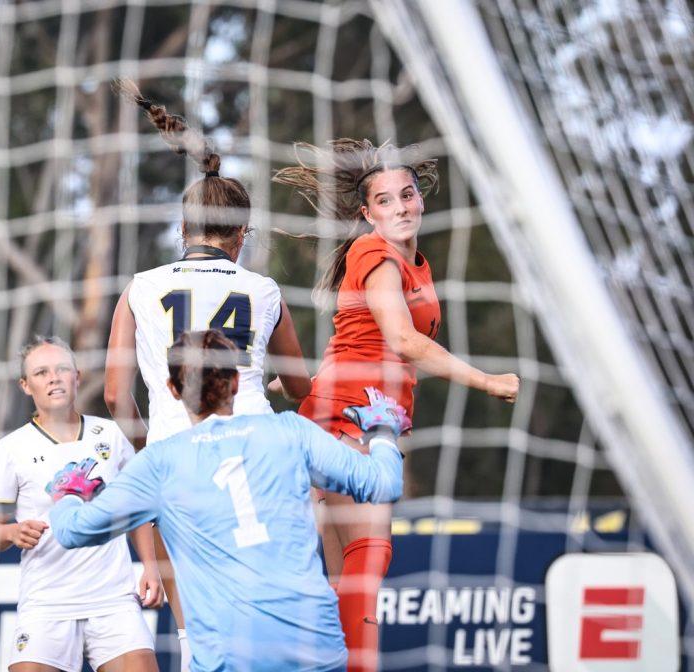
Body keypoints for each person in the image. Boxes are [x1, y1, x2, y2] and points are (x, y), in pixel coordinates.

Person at [273, 139, 520, 671]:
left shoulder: (419, 265)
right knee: (369, 556)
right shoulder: (374, 251)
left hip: (353, 409)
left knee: (342, 579)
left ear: (421, 200)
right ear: (368, 213)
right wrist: (487, 380)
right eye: (385, 201)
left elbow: (366, 342)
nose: (401, 207)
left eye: (406, 195)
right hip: (350, 415)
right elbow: (403, 341)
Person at [47, 330, 406, 672]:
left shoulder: (160, 463)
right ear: (236, 383)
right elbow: (383, 484)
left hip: (230, 656)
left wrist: (69, 492)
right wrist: (383, 431)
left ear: (172, 390)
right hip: (313, 646)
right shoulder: (290, 432)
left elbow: (73, 532)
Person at [105, 79, 311, 665]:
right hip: (254, 455)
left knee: (196, 626)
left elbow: (118, 392)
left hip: (176, 456)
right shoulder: (262, 289)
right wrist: (269, 384)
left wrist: (150, 447)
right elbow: (300, 387)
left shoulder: (142, 287)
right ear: (242, 235)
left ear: (184, 230)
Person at [0, 336, 163, 672]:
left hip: (113, 601)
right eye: (42, 372)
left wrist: (151, 567)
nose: (54, 377)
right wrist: (12, 532)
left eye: (62, 369)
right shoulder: (10, 448)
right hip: (46, 604)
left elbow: (136, 509)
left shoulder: (111, 435)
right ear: (25, 385)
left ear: (77, 376)